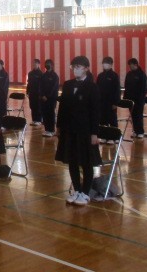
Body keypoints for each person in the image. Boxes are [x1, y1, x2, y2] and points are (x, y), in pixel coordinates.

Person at [55, 56, 101, 206]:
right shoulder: (68, 85)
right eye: (73, 67)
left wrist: (94, 133)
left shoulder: (92, 87)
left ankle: (85, 193)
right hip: (69, 129)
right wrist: (59, 126)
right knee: (72, 161)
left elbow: (95, 112)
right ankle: (77, 190)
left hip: (85, 131)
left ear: (86, 68)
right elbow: (62, 108)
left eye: (79, 67)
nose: (75, 69)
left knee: (86, 162)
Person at [96, 56, 121, 144]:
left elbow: (117, 90)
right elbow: (97, 89)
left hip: (111, 102)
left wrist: (115, 102)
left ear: (111, 64)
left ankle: (114, 137)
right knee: (103, 119)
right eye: (104, 63)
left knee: (112, 119)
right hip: (102, 102)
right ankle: (104, 136)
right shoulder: (100, 76)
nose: (105, 65)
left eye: (107, 63)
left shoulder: (114, 76)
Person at [123, 58, 147, 139]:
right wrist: (125, 98)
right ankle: (135, 131)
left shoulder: (142, 74)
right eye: (129, 65)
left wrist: (141, 100)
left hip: (139, 100)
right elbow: (126, 86)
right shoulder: (129, 74)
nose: (130, 67)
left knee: (138, 116)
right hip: (130, 99)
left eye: (131, 65)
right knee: (133, 116)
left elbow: (143, 89)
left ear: (136, 64)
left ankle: (140, 132)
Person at [40, 59, 59, 137]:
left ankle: (51, 130)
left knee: (50, 114)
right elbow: (40, 86)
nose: (47, 65)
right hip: (43, 98)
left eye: (48, 64)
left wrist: (47, 96)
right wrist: (42, 95)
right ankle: (47, 129)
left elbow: (53, 88)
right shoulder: (43, 75)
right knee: (44, 113)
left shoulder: (55, 76)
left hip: (51, 98)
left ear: (52, 65)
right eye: (46, 63)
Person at [26, 58, 43, 127]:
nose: (34, 64)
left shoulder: (41, 74)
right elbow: (28, 83)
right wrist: (27, 91)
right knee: (32, 106)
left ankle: (39, 120)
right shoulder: (30, 73)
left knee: (38, 106)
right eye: (33, 63)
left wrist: (41, 93)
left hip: (38, 93)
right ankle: (34, 120)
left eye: (36, 63)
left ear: (38, 64)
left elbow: (42, 85)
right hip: (32, 93)